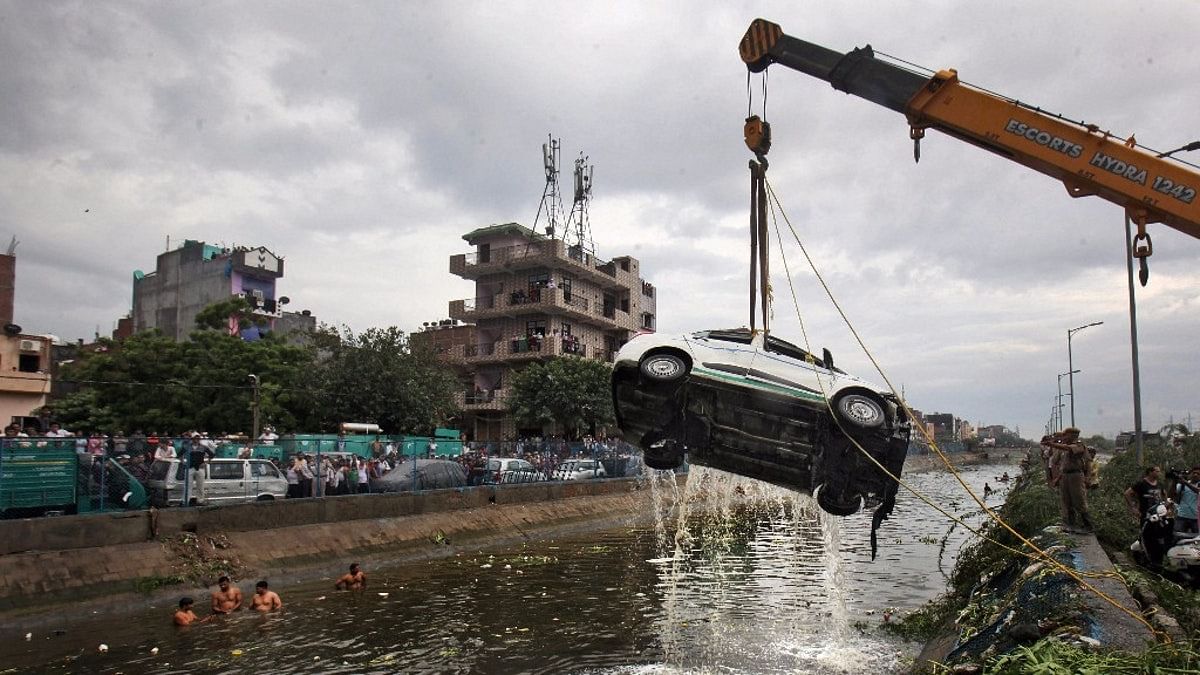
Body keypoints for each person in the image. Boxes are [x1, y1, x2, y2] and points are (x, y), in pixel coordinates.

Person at [1043, 427, 1094, 532]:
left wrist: (1051, 444)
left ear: (1072, 436)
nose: (1063, 438)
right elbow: (1061, 464)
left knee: (1079, 500)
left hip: (1075, 476)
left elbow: (1086, 463)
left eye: (1065, 435)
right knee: (1067, 501)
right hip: (1065, 476)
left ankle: (1088, 526)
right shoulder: (1064, 449)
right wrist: (1058, 478)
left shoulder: (1079, 445)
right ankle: (1071, 525)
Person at [1125, 466, 1169, 567]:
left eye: (1159, 471)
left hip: (1159, 516)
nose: (1159, 473)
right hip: (1146, 515)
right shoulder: (1141, 484)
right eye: (1156, 471)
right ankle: (1145, 559)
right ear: (1150, 472)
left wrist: (1166, 506)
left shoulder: (1159, 484)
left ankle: (1157, 560)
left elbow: (1164, 495)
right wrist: (1133, 507)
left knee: (1159, 538)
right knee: (1147, 537)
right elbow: (1127, 493)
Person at [1169, 466, 1200, 535]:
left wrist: (1185, 482)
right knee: (1177, 536)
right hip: (1182, 516)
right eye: (1194, 473)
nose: (1195, 475)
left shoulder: (1186, 483)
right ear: (1190, 474)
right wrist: (1174, 481)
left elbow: (1197, 490)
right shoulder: (1182, 484)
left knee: (1197, 539)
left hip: (1196, 518)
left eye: (1198, 474)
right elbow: (1171, 495)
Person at [187, 433, 214, 505]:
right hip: (190, 467)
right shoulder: (187, 446)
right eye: (195, 438)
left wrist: (206, 463)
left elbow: (212, 455)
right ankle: (186, 501)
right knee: (188, 486)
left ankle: (200, 501)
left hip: (200, 468)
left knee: (200, 486)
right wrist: (183, 462)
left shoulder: (203, 447)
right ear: (192, 439)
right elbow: (179, 454)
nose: (196, 440)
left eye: (198, 438)